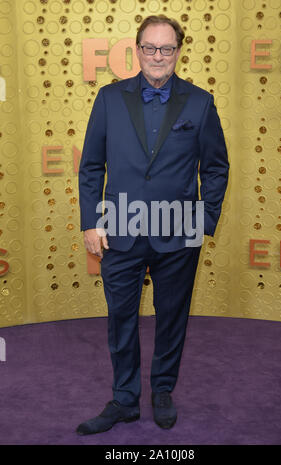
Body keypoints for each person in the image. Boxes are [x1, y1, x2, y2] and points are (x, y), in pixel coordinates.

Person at [77, 14, 229, 435]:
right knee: (120, 317)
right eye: (149, 47)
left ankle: (162, 391)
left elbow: (215, 169)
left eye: (166, 48)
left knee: (172, 317)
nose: (157, 56)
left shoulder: (200, 103)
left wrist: (204, 221)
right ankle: (124, 400)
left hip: (180, 232)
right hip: (119, 230)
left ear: (178, 52)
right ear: (137, 50)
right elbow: (91, 167)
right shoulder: (109, 98)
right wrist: (92, 222)